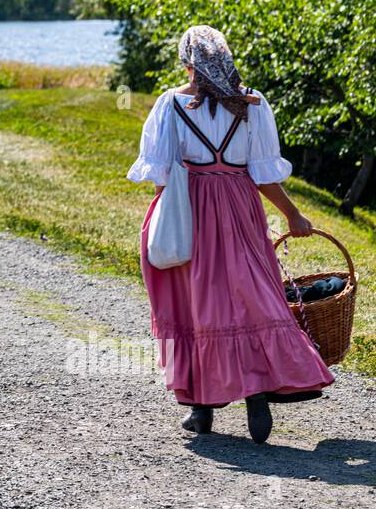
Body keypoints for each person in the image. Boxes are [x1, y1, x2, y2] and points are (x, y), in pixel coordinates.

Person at [127, 25, 333, 444]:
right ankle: (256, 390)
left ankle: (202, 410)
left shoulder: (171, 105)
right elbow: (263, 174)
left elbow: (160, 176)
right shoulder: (253, 104)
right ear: (227, 59)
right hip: (240, 210)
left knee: (193, 303)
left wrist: (172, 215)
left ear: (188, 65)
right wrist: (293, 215)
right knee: (251, 294)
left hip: (190, 212)